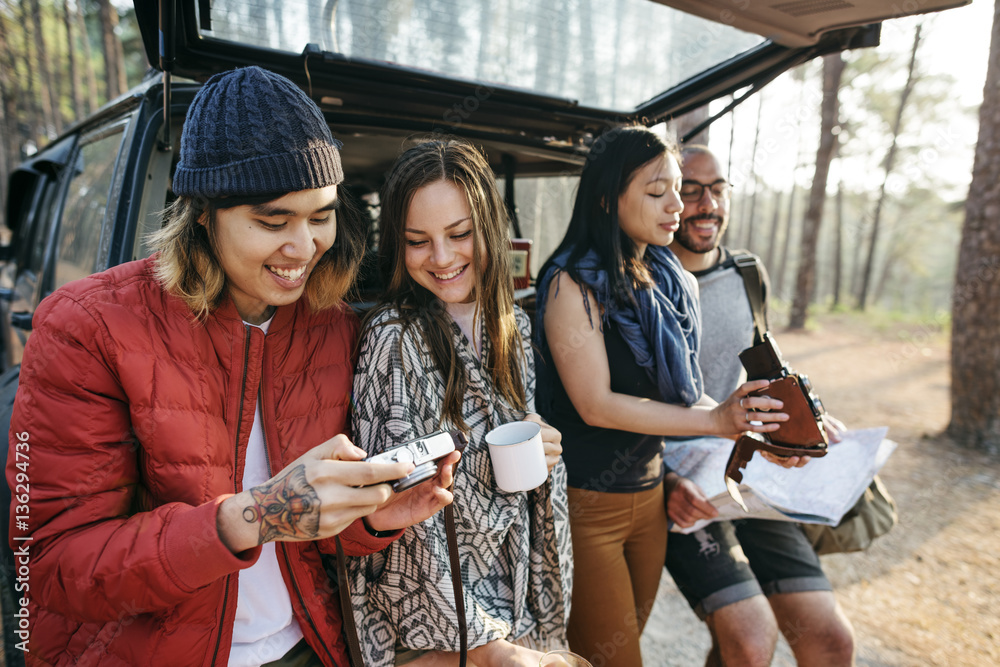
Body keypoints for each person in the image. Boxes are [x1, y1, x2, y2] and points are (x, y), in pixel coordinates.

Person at [5, 66, 458, 666]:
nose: (303, 249)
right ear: (200, 212)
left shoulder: (330, 324)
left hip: (310, 648)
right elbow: (54, 569)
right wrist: (255, 515)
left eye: (320, 216)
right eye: (273, 222)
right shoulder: (88, 327)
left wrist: (374, 521)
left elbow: (308, 532)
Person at [534, 125, 788, 667]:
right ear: (607, 198)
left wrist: (748, 414)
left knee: (622, 649)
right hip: (587, 506)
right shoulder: (569, 285)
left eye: (677, 188)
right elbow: (595, 404)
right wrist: (716, 420)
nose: (677, 204)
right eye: (658, 192)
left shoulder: (668, 279)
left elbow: (686, 397)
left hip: (650, 504)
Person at [346, 140, 572, 667]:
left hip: (514, 602)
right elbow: (403, 513)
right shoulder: (393, 337)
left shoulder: (507, 326)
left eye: (460, 234)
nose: (443, 258)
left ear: (490, 226)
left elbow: (515, 463)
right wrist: (487, 650)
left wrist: (543, 448)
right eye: (417, 241)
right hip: (439, 637)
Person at [663, 144, 856, 666]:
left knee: (832, 641)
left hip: (752, 476)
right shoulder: (639, 282)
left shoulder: (747, 273)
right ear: (664, 198)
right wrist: (662, 481)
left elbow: (762, 366)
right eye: (691, 190)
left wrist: (804, 415)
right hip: (681, 487)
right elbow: (610, 401)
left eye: (718, 188)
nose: (708, 204)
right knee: (750, 642)